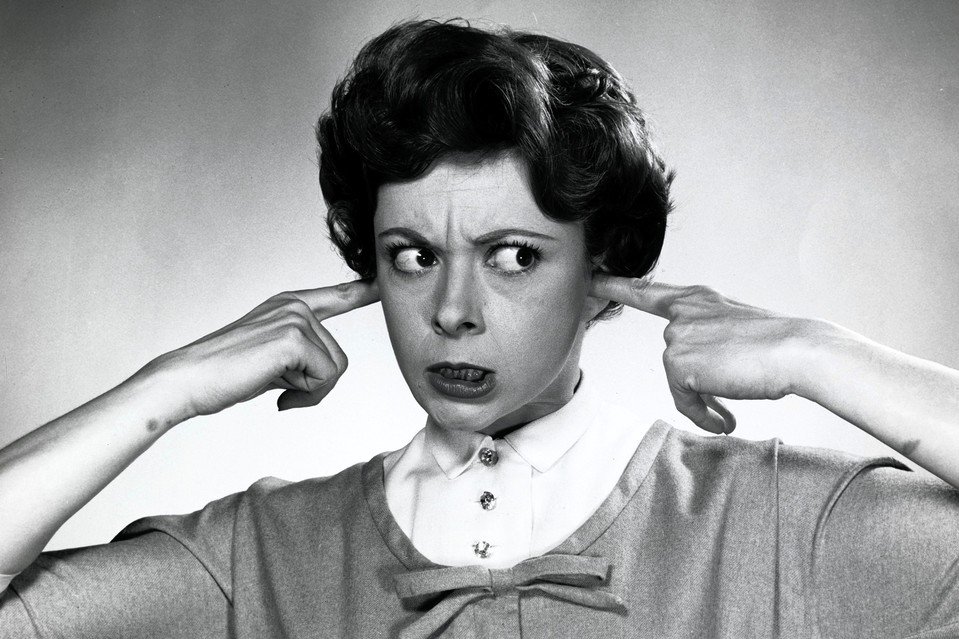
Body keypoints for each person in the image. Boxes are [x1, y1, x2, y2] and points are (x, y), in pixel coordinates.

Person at [1, 18, 958, 639]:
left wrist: (817, 355)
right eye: (413, 254)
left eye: (513, 255)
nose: (452, 310)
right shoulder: (258, 560)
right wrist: (163, 390)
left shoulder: (778, 524)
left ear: (603, 277)